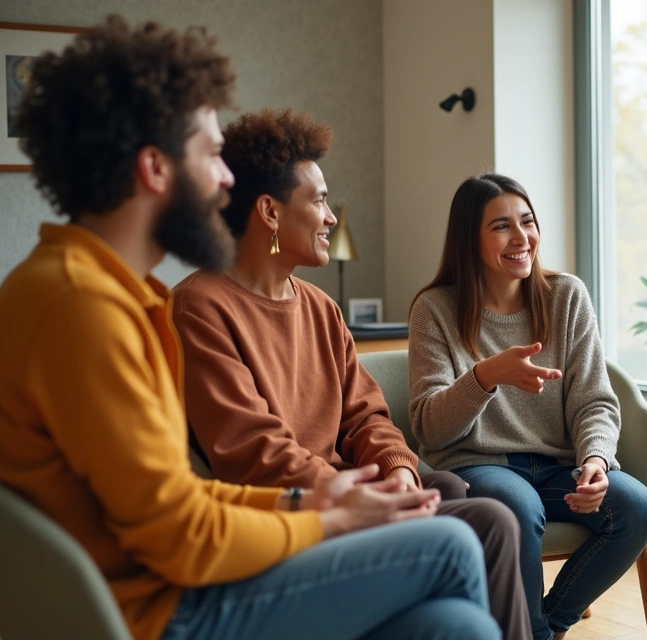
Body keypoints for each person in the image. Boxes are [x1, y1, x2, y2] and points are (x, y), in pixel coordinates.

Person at [0, 17, 498, 640]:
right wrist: (329, 520)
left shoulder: (113, 292)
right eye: (211, 156)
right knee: (449, 545)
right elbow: (182, 536)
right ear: (155, 167)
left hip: (174, 577)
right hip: (155, 611)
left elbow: (178, 497)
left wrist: (314, 501)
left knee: (453, 624)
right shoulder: (84, 308)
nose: (228, 179)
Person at [173, 108, 529, 640]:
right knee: (492, 522)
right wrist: (354, 495)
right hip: (292, 511)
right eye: (317, 200)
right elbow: (251, 450)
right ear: (269, 212)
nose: (331, 216)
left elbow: (368, 416)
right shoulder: (200, 307)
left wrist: (398, 470)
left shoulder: (319, 306)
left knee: (457, 493)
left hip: (351, 487)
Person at [408, 173, 647, 640]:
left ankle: (546, 623)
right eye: (501, 226)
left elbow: (595, 401)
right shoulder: (435, 309)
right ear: (469, 239)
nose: (522, 237)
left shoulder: (566, 297)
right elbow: (430, 428)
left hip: (561, 466)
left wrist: (596, 461)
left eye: (528, 221)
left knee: (637, 507)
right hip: (481, 466)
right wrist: (487, 376)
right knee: (515, 508)